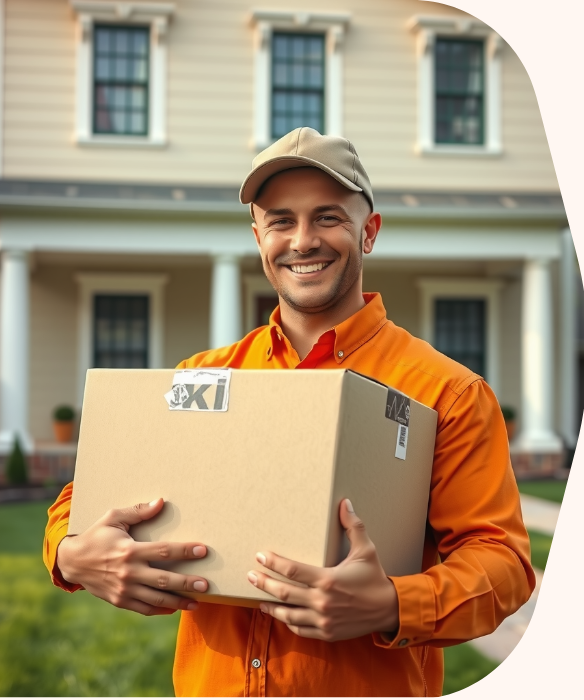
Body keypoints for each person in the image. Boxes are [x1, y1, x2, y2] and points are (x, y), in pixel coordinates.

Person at [44, 127, 535, 697]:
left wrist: (391, 604)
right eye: (280, 220)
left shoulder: (447, 392)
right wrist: (75, 555)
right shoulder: (203, 378)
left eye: (328, 217)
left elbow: (502, 565)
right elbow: (78, 501)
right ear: (258, 237)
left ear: (368, 232)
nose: (303, 240)